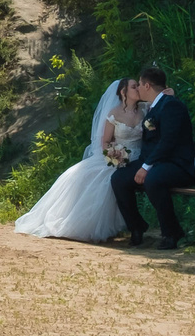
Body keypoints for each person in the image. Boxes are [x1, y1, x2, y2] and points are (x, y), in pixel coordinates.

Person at [11, 77, 146, 242]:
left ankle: (134, 226)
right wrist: (114, 156)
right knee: (89, 177)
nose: (138, 88)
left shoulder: (145, 110)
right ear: (124, 92)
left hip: (141, 157)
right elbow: (104, 142)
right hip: (119, 157)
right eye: (134, 87)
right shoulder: (114, 114)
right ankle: (74, 221)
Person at [110, 64, 195, 249]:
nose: (139, 89)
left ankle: (172, 232)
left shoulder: (171, 106)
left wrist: (146, 167)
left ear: (147, 86)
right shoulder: (154, 106)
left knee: (153, 180)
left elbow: (168, 142)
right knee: (119, 178)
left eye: (140, 85)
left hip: (177, 164)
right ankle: (136, 226)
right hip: (154, 162)